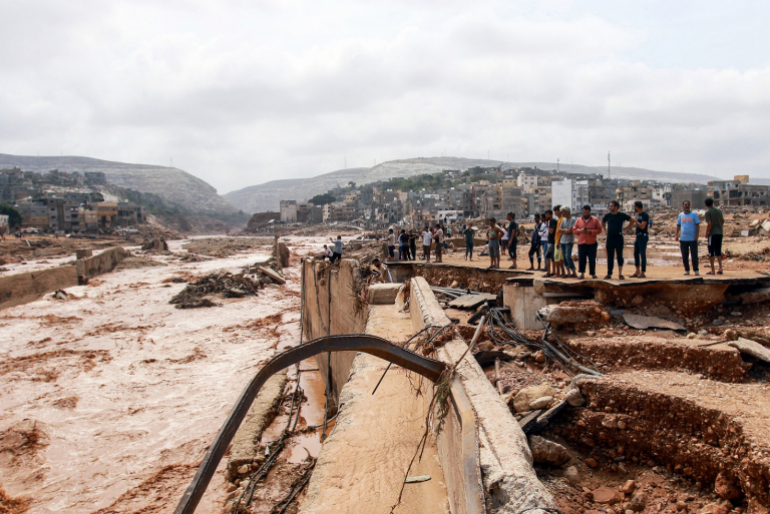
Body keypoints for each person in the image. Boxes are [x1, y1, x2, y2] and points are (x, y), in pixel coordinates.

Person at [602, 201, 633, 280]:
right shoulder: (608, 215)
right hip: (610, 237)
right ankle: (609, 273)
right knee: (610, 256)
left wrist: (626, 228)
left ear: (616, 207)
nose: (610, 207)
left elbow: (632, 220)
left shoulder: (621, 215)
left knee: (619, 256)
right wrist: (605, 231)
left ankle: (620, 273)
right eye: (610, 206)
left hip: (619, 237)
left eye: (611, 206)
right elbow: (602, 222)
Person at [574, 205, 602, 279]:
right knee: (582, 258)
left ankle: (593, 273)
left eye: (586, 212)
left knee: (592, 259)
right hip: (582, 242)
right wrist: (580, 230)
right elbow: (574, 230)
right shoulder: (579, 220)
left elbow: (599, 230)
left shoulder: (595, 220)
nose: (585, 214)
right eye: (584, 212)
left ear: (589, 211)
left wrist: (591, 231)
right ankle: (582, 273)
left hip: (591, 243)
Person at [676, 200, 700, 276]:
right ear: (683, 206)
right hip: (683, 239)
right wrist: (676, 235)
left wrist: (697, 235)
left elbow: (698, 225)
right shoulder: (680, 215)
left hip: (692, 238)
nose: (687, 206)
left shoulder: (694, 215)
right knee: (684, 255)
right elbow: (678, 225)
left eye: (688, 204)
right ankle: (687, 269)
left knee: (694, 255)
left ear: (690, 206)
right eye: (685, 204)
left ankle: (696, 270)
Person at [630, 201, 650, 278]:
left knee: (642, 254)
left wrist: (636, 221)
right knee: (636, 253)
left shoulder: (645, 215)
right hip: (638, 236)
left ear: (637, 207)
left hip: (643, 236)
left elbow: (642, 226)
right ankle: (637, 270)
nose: (634, 208)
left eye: (634, 206)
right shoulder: (638, 215)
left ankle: (643, 272)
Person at [705, 197, 724, 275]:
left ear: (706, 204)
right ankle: (720, 268)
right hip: (720, 233)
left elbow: (709, 223)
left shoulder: (708, 212)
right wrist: (719, 226)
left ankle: (712, 270)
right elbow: (723, 220)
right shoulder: (719, 211)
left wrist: (707, 233)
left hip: (712, 234)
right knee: (718, 251)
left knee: (711, 251)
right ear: (713, 203)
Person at [558, 207, 577, 278]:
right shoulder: (563, 220)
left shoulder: (573, 220)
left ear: (567, 212)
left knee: (568, 257)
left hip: (569, 241)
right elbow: (559, 230)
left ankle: (574, 271)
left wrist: (563, 230)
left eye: (563, 212)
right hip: (563, 241)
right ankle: (568, 272)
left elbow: (570, 231)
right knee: (564, 258)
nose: (562, 213)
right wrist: (565, 231)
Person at [543, 210, 557, 277]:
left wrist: (547, 226)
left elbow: (551, 231)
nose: (546, 216)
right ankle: (553, 272)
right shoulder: (552, 221)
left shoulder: (552, 222)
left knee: (547, 256)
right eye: (546, 215)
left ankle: (548, 272)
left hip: (551, 242)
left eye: (547, 215)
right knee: (552, 258)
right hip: (552, 241)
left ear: (551, 215)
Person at [552, 205, 565, 278]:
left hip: (559, 241)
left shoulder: (562, 219)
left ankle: (560, 272)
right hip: (556, 240)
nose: (555, 212)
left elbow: (561, 232)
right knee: (557, 257)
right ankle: (559, 272)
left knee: (559, 257)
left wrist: (559, 241)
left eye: (556, 211)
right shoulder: (559, 219)